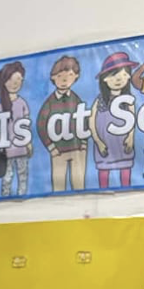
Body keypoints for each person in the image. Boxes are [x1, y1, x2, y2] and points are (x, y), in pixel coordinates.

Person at [36, 55, 87, 193]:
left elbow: (84, 121)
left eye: (69, 75)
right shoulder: (49, 103)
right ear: (53, 77)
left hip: (77, 151)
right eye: (60, 76)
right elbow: (41, 125)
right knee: (58, 189)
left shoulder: (76, 99)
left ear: (76, 77)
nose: (64, 80)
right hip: (58, 152)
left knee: (80, 187)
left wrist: (83, 143)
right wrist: (51, 147)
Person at [90, 51, 137, 189]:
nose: (119, 79)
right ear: (105, 79)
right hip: (104, 146)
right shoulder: (100, 100)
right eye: (114, 75)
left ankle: (127, 192)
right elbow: (91, 122)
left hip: (123, 145)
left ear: (128, 76)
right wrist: (98, 141)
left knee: (126, 172)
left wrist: (130, 137)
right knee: (103, 173)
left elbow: (133, 120)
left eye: (123, 75)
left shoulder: (128, 100)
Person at [0, 60, 33, 197]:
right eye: (11, 80)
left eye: (19, 80)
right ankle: (6, 198)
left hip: (21, 150)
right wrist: (3, 141)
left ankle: (22, 197)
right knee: (7, 178)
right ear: (4, 82)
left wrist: (28, 144)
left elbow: (26, 127)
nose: (15, 84)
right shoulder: (0, 106)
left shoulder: (22, 103)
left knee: (23, 176)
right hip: (6, 153)